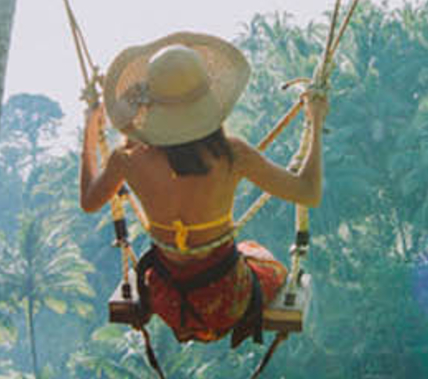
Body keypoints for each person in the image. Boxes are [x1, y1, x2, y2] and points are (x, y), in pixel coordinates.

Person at [80, 31, 328, 347]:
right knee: (261, 258)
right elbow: (309, 192)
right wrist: (316, 123)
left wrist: (91, 128)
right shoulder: (231, 154)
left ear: (154, 106)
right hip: (227, 300)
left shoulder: (127, 159)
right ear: (207, 102)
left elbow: (89, 201)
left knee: (238, 255)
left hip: (166, 298)